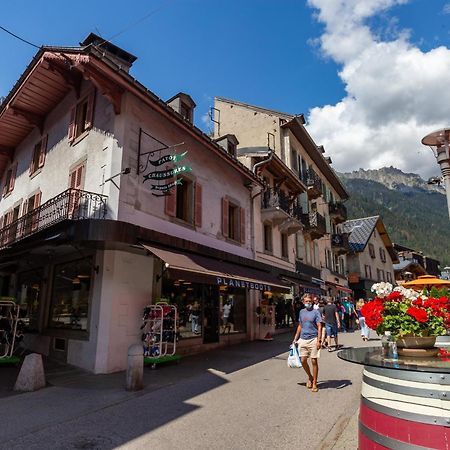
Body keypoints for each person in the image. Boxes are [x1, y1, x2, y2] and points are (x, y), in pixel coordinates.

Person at [292, 294, 322, 393]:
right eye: (306, 301)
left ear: (312, 302)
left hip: (313, 338)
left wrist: (319, 340)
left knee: (314, 361)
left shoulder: (316, 312)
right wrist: (295, 338)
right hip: (303, 339)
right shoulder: (301, 312)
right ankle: (310, 376)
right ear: (303, 302)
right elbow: (300, 325)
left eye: (309, 301)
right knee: (303, 360)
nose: (308, 303)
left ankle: (315, 383)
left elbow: (319, 326)